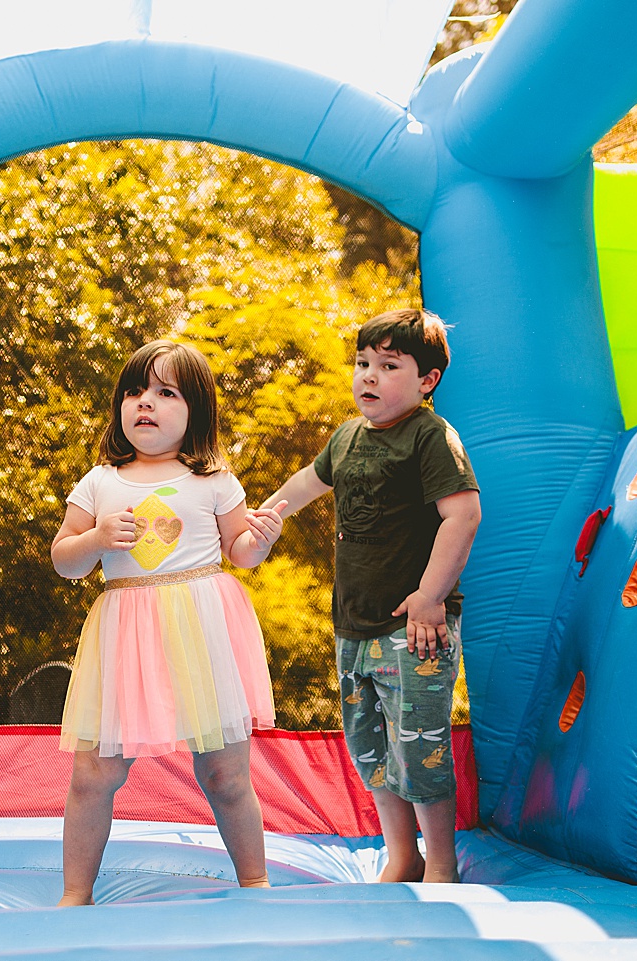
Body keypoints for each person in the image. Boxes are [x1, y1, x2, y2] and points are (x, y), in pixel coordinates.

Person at [51, 339, 287, 906]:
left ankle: (254, 881)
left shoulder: (213, 480)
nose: (144, 404)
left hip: (201, 632)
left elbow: (240, 553)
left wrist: (262, 538)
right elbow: (65, 561)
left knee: (227, 775)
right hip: (126, 636)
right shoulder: (100, 481)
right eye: (133, 392)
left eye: (164, 392)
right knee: (94, 774)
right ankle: (75, 893)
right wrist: (96, 538)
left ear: (195, 411)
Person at [259, 308, 480, 884]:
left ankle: (443, 864)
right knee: (370, 749)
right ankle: (403, 857)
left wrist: (431, 596)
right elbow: (306, 484)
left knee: (421, 748)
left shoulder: (430, 438)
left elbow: (463, 515)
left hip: (413, 627)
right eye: (362, 364)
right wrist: (265, 518)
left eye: (388, 365)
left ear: (426, 381)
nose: (369, 377)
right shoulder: (347, 437)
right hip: (353, 626)